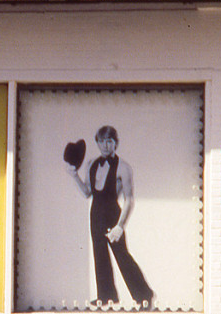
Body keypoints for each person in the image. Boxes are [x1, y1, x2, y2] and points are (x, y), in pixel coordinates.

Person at [66, 125, 155, 309]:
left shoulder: (124, 167)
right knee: (99, 254)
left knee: (121, 255)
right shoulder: (91, 163)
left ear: (116, 143)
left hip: (113, 214)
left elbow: (129, 200)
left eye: (110, 141)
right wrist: (74, 176)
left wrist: (120, 226)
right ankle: (106, 296)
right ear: (97, 143)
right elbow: (87, 193)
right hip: (95, 213)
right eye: (102, 141)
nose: (106, 145)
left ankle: (144, 295)